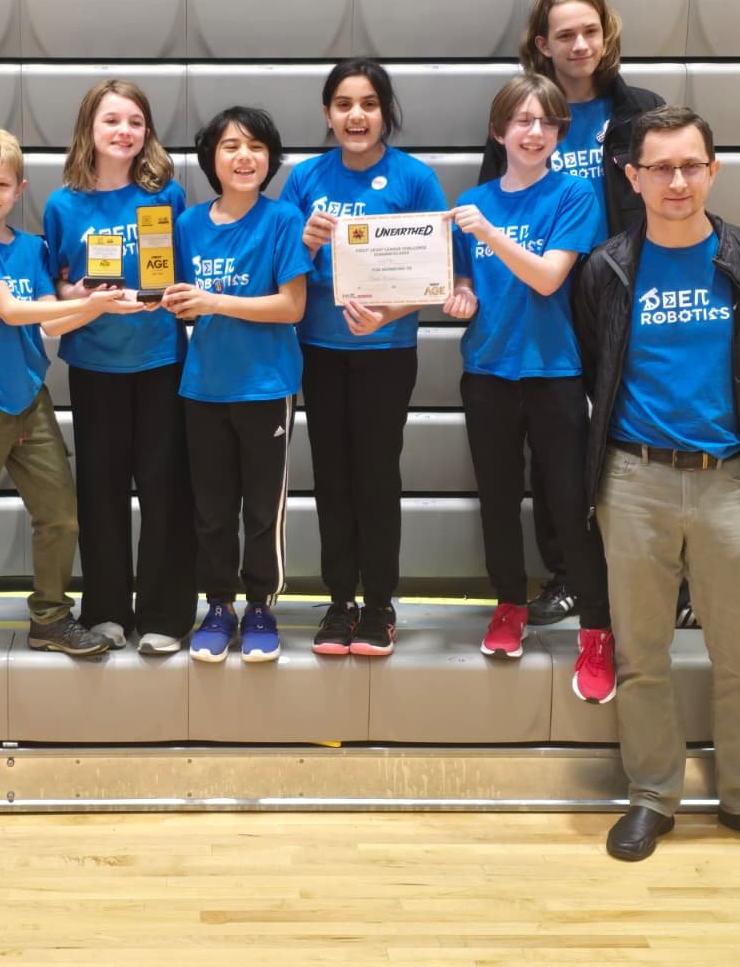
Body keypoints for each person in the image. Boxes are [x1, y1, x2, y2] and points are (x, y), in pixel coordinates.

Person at [574, 106, 740, 863]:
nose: (677, 181)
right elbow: (594, 365)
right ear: (632, 177)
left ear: (713, 169)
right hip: (633, 481)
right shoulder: (607, 269)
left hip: (729, 481)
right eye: (661, 168)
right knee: (643, 654)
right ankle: (652, 796)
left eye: (691, 165)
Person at [478, 0, 666, 627]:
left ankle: (660, 576)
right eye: (564, 34)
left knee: (632, 441)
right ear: (542, 44)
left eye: (589, 31)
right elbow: (490, 219)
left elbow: (670, 200)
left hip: (623, 301)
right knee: (555, 457)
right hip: (545, 307)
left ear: (606, 34)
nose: (579, 44)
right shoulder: (520, 114)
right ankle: (568, 577)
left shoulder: (642, 111)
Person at [0, 127, 136, 659]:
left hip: (30, 397)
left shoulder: (33, 248)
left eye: (1, 184)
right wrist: (91, 308)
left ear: (20, 189)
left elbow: (50, 326)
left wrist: (82, 299)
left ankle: (50, 618)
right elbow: (11, 311)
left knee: (61, 515)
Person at [448, 76, 616, 704]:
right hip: (487, 371)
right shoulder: (472, 198)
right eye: (520, 120)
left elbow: (548, 279)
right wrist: (459, 297)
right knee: (495, 499)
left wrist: (490, 233)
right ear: (499, 132)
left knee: (571, 504)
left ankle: (597, 630)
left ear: (558, 133)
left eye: (546, 121)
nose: (534, 131)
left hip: (555, 372)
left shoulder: (574, 195)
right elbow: (465, 285)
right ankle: (508, 604)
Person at [282, 60, 448, 656]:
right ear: (327, 114)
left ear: (385, 112)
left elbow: (434, 278)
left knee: (376, 478)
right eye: (345, 104)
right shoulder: (303, 178)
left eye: (370, 104)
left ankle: (379, 603)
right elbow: (281, 271)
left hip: (386, 352)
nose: (357, 115)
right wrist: (303, 242)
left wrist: (386, 314)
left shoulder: (414, 178)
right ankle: (338, 602)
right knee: (331, 478)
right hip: (318, 351)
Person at [41, 80, 197, 655]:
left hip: (161, 359)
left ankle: (165, 613)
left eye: (135, 121)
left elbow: (187, 266)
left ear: (147, 131)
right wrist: (74, 289)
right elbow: (56, 278)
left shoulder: (168, 196)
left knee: (164, 490)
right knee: (100, 491)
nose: (124, 131)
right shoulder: (63, 204)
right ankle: (106, 609)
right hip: (94, 362)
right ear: (89, 129)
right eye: (112, 121)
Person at [164, 107, 308, 664]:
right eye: (230, 146)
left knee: (262, 508)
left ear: (269, 158)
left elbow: (291, 305)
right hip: (203, 387)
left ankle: (261, 606)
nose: (243, 156)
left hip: (267, 386)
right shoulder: (188, 225)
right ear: (212, 160)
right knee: (212, 508)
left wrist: (213, 302)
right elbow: (173, 299)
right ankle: (218, 605)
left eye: (255, 146)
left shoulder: (284, 220)